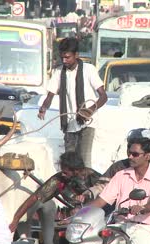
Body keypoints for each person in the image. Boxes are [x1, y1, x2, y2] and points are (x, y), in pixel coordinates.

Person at [88, 137, 150, 244]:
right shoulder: (121, 175)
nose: (130, 157)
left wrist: (143, 208)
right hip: (118, 225)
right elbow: (102, 200)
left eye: (135, 154)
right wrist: (81, 212)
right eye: (129, 153)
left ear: (147, 156)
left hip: (142, 228)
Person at [38, 37, 108, 168]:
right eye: (62, 57)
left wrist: (90, 110)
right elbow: (50, 95)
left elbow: (104, 96)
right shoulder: (58, 72)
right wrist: (43, 107)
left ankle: (86, 187)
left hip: (88, 123)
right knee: (68, 164)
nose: (64, 61)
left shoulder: (89, 69)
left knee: (84, 161)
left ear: (76, 55)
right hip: (69, 124)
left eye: (68, 57)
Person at [9, 151, 107, 231]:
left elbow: (107, 197)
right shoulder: (60, 180)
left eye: (65, 172)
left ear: (76, 170)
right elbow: (36, 197)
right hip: (75, 220)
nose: (63, 174)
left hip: (99, 219)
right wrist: (16, 219)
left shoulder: (93, 177)